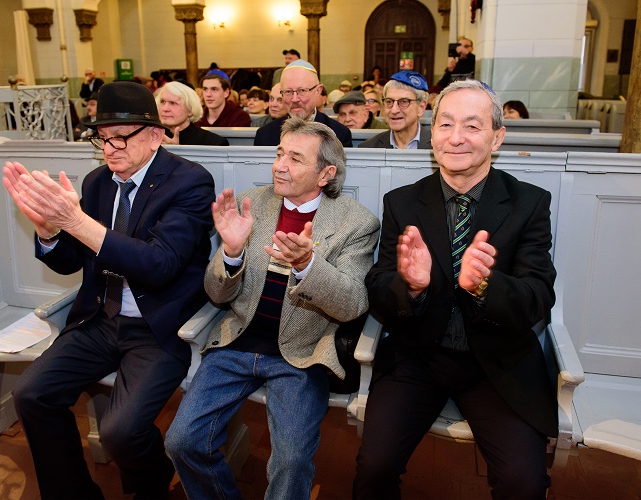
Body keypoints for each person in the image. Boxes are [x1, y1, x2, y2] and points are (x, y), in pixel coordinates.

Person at [4, 81, 216, 499]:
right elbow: (72, 261)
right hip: (99, 318)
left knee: (121, 432)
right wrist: (49, 232)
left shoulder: (189, 181)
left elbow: (159, 266)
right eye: (102, 138)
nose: (109, 149)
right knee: (30, 394)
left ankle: (153, 484)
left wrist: (76, 222)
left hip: (157, 328)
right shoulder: (98, 182)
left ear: (155, 135)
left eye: (121, 137)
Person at [354, 80, 558, 499]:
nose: (456, 137)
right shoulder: (402, 202)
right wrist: (411, 286)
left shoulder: (528, 203)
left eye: (472, 126)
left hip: (497, 364)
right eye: (445, 125)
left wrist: (485, 285)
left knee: (523, 482)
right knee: (374, 469)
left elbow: (539, 297)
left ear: (497, 137)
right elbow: (378, 289)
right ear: (433, 137)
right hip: (417, 358)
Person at [166, 118, 380, 500]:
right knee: (182, 441)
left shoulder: (356, 223)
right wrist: (231, 253)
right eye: (280, 154)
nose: (279, 166)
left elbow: (352, 304)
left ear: (325, 174)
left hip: (301, 353)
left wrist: (308, 266)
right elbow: (216, 294)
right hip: (236, 341)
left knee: (292, 462)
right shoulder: (253, 202)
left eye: (295, 159)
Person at [254, 60, 353, 148]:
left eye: (302, 91)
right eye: (288, 92)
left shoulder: (338, 134)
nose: (295, 99)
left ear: (318, 91)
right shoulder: (264, 135)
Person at [358, 70, 431, 150]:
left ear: (421, 107)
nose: (394, 110)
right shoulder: (369, 148)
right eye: (389, 102)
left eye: (404, 102)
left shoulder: (437, 146)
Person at [155, 81, 229, 146]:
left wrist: (176, 151)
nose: (165, 109)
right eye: (162, 102)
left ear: (190, 110)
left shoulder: (214, 143)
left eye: (173, 103)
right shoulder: (151, 137)